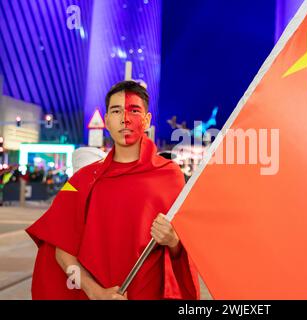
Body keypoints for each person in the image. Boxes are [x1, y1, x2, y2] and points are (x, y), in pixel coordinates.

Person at [26, 80, 199, 300]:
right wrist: (94, 291)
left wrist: (173, 240)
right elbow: (62, 249)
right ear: (107, 120)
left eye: (134, 111)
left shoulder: (170, 175)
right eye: (116, 111)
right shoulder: (83, 179)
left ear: (146, 120)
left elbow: (183, 252)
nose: (125, 119)